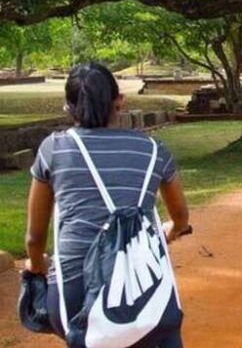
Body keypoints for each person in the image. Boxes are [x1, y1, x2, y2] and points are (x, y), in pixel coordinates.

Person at [25, 62, 191, 347]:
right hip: (142, 289)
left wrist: (37, 264)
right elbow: (180, 216)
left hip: (76, 292)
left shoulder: (54, 149)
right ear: (120, 101)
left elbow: (35, 237)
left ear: (68, 107)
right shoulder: (154, 149)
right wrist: (172, 230)